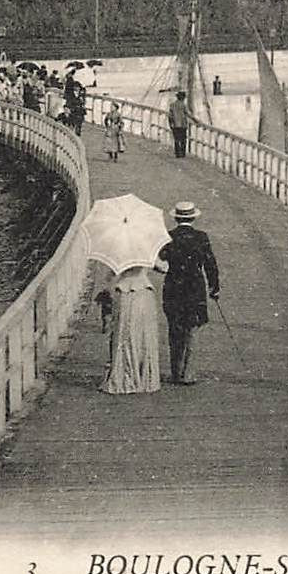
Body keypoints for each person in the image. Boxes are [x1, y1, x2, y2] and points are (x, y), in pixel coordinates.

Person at [157, 201, 220, 384]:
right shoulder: (201, 237)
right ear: (193, 218)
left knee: (174, 329)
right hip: (195, 288)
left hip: (173, 287)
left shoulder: (168, 237)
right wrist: (214, 287)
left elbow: (161, 261)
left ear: (176, 218)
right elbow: (210, 264)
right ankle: (188, 373)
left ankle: (175, 372)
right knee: (191, 329)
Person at [100, 265, 162, 395]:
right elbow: (162, 267)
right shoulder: (145, 251)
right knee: (144, 335)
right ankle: (144, 378)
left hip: (124, 294)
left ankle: (125, 376)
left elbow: (110, 276)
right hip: (144, 293)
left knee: (124, 334)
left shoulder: (120, 253)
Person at [168, 90, 191, 158]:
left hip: (175, 125)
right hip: (183, 125)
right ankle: (183, 153)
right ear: (183, 98)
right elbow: (188, 114)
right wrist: (196, 121)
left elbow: (170, 116)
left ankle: (177, 153)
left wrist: (170, 124)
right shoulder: (184, 105)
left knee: (176, 139)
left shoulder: (172, 105)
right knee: (183, 139)